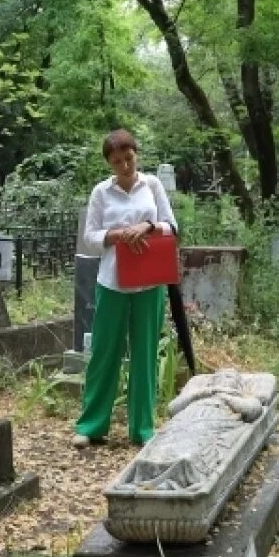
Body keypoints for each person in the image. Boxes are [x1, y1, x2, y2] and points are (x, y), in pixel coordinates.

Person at [73, 129, 178, 448]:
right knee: (105, 351)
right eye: (116, 161)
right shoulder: (101, 193)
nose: (124, 166)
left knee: (146, 353)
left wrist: (147, 226)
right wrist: (116, 235)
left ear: (137, 155)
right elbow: (89, 239)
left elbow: (172, 227)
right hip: (113, 280)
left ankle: (143, 428)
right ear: (109, 163)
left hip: (149, 281)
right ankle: (92, 425)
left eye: (129, 158)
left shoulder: (153, 186)